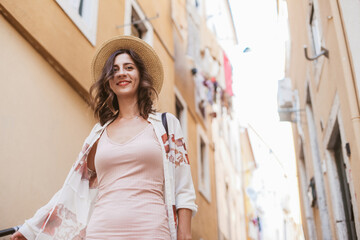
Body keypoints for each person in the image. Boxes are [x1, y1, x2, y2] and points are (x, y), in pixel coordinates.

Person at [11, 35, 197, 240]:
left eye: (129, 67)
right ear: (108, 82)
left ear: (141, 76)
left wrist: (185, 235)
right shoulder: (98, 133)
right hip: (101, 231)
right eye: (114, 70)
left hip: (152, 230)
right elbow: (71, 191)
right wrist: (30, 230)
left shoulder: (166, 124)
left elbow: (183, 188)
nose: (121, 73)